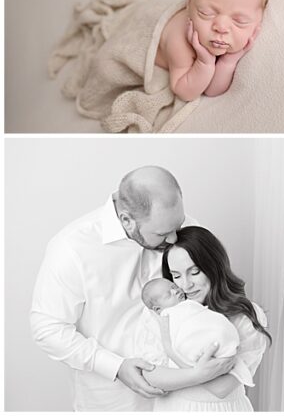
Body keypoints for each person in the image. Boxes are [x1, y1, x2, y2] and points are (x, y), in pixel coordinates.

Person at [30, 167, 235, 411]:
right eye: (161, 233)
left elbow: (211, 290)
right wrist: (115, 367)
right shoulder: (71, 248)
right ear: (126, 220)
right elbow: (47, 328)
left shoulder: (185, 229)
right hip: (113, 401)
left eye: (177, 227)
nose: (173, 239)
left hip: (189, 399)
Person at [154, 227, 271, 411]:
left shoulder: (245, 316)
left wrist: (172, 351)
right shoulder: (164, 312)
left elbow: (221, 388)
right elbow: (152, 378)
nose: (185, 285)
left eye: (194, 272)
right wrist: (200, 371)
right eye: (176, 276)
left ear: (213, 266)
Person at [156, 0, 270, 100]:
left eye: (239, 21)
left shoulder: (218, 37)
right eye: (206, 13)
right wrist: (205, 63)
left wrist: (229, 61)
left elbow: (212, 91)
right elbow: (184, 92)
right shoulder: (179, 39)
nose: (221, 28)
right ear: (189, 1)